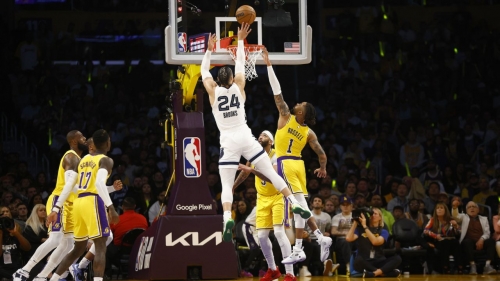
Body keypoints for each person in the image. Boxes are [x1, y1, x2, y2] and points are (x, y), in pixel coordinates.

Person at [201, 23, 309, 242]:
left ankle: (225, 218)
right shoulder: (239, 85)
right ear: (231, 79)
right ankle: (295, 204)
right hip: (246, 137)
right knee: (271, 174)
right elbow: (240, 62)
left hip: (228, 141)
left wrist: (209, 50)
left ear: (217, 80)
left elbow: (204, 71)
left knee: (226, 185)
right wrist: (240, 40)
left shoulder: (212, 91)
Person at [261, 48, 332, 264]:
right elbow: (321, 153)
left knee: (298, 205)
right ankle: (315, 240)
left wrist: (269, 65)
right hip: (298, 165)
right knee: (300, 205)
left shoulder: (286, 116)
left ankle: (308, 244)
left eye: (300, 105)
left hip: (285, 163)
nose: (296, 104)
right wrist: (323, 169)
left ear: (301, 113)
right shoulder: (309, 132)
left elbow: (277, 92)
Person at [13, 130, 87, 281]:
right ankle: (23, 271)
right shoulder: (71, 157)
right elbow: (69, 186)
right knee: (55, 239)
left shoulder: (79, 160)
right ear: (73, 141)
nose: (85, 139)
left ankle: (42, 276)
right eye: (82, 137)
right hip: (60, 201)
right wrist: (56, 209)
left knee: (67, 244)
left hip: (71, 205)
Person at [49, 129, 120, 281]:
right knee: (100, 245)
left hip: (78, 202)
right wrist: (111, 207)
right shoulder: (106, 160)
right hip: (92, 201)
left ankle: (54, 279)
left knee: (78, 248)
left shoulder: (84, 159)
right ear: (108, 143)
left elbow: (72, 185)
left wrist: (57, 207)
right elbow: (99, 184)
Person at [233, 131, 296, 281]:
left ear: (271, 142)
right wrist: (233, 187)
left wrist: (252, 170)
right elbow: (245, 173)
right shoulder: (253, 155)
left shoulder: (276, 156)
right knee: (261, 236)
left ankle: (290, 274)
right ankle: (273, 270)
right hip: (261, 199)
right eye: (260, 135)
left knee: (280, 233)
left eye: (265, 136)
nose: (261, 137)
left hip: (278, 197)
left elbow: (271, 178)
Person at [346, 208, 401, 278]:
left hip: (379, 260)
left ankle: (373, 274)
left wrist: (365, 227)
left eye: (375, 214)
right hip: (364, 261)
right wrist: (355, 223)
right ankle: (383, 273)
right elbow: (348, 238)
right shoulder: (360, 229)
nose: (373, 215)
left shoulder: (383, 231)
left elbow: (375, 242)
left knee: (397, 258)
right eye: (371, 214)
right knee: (357, 260)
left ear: (380, 218)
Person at [458, 201, 496, 275]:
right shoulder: (463, 217)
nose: (472, 208)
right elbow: (455, 215)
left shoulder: (484, 219)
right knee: (467, 242)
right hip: (469, 242)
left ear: (478, 210)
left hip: (481, 241)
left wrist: (481, 239)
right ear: (466, 211)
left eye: (474, 206)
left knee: (491, 241)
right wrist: (454, 207)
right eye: (469, 207)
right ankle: (473, 266)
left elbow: (487, 232)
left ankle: (487, 266)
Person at [423, 203, 461, 274]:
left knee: (456, 242)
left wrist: (456, 226)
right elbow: (425, 231)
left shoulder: (451, 220)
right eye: (438, 208)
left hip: (451, 240)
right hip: (439, 240)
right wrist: (435, 236)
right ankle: (445, 267)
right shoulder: (433, 220)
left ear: (445, 210)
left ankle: (459, 267)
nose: (439, 210)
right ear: (435, 211)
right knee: (445, 243)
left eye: (441, 208)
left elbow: (459, 232)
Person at [0, 206, 31, 280]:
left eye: (7, 211)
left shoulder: (15, 227)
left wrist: (16, 233)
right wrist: (0, 234)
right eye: (2, 212)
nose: (5, 214)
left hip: (17, 267)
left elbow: (27, 248)